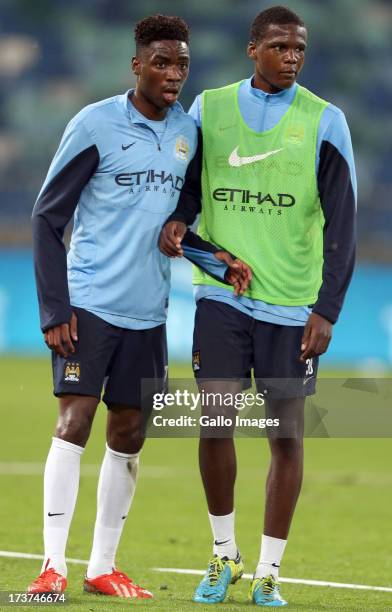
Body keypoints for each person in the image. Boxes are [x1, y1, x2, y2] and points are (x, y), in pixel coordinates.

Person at [29, 14, 251, 599]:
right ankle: (52, 566)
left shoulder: (188, 134)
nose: (174, 73)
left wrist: (214, 258)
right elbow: (48, 217)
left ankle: (101, 566)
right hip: (91, 303)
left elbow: (181, 217)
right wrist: (56, 309)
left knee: (128, 434)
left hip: (149, 313)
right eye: (161, 62)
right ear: (137, 65)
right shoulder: (96, 124)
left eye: (181, 63)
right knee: (73, 423)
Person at [159, 5, 356, 607]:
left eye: (299, 49)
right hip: (223, 296)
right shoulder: (210, 109)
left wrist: (327, 310)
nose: (291, 57)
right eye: (279, 47)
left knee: (285, 437)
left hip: (294, 305)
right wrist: (189, 236)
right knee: (214, 421)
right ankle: (224, 556)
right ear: (253, 49)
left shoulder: (326, 121)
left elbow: (343, 224)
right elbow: (185, 194)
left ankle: (270, 569)